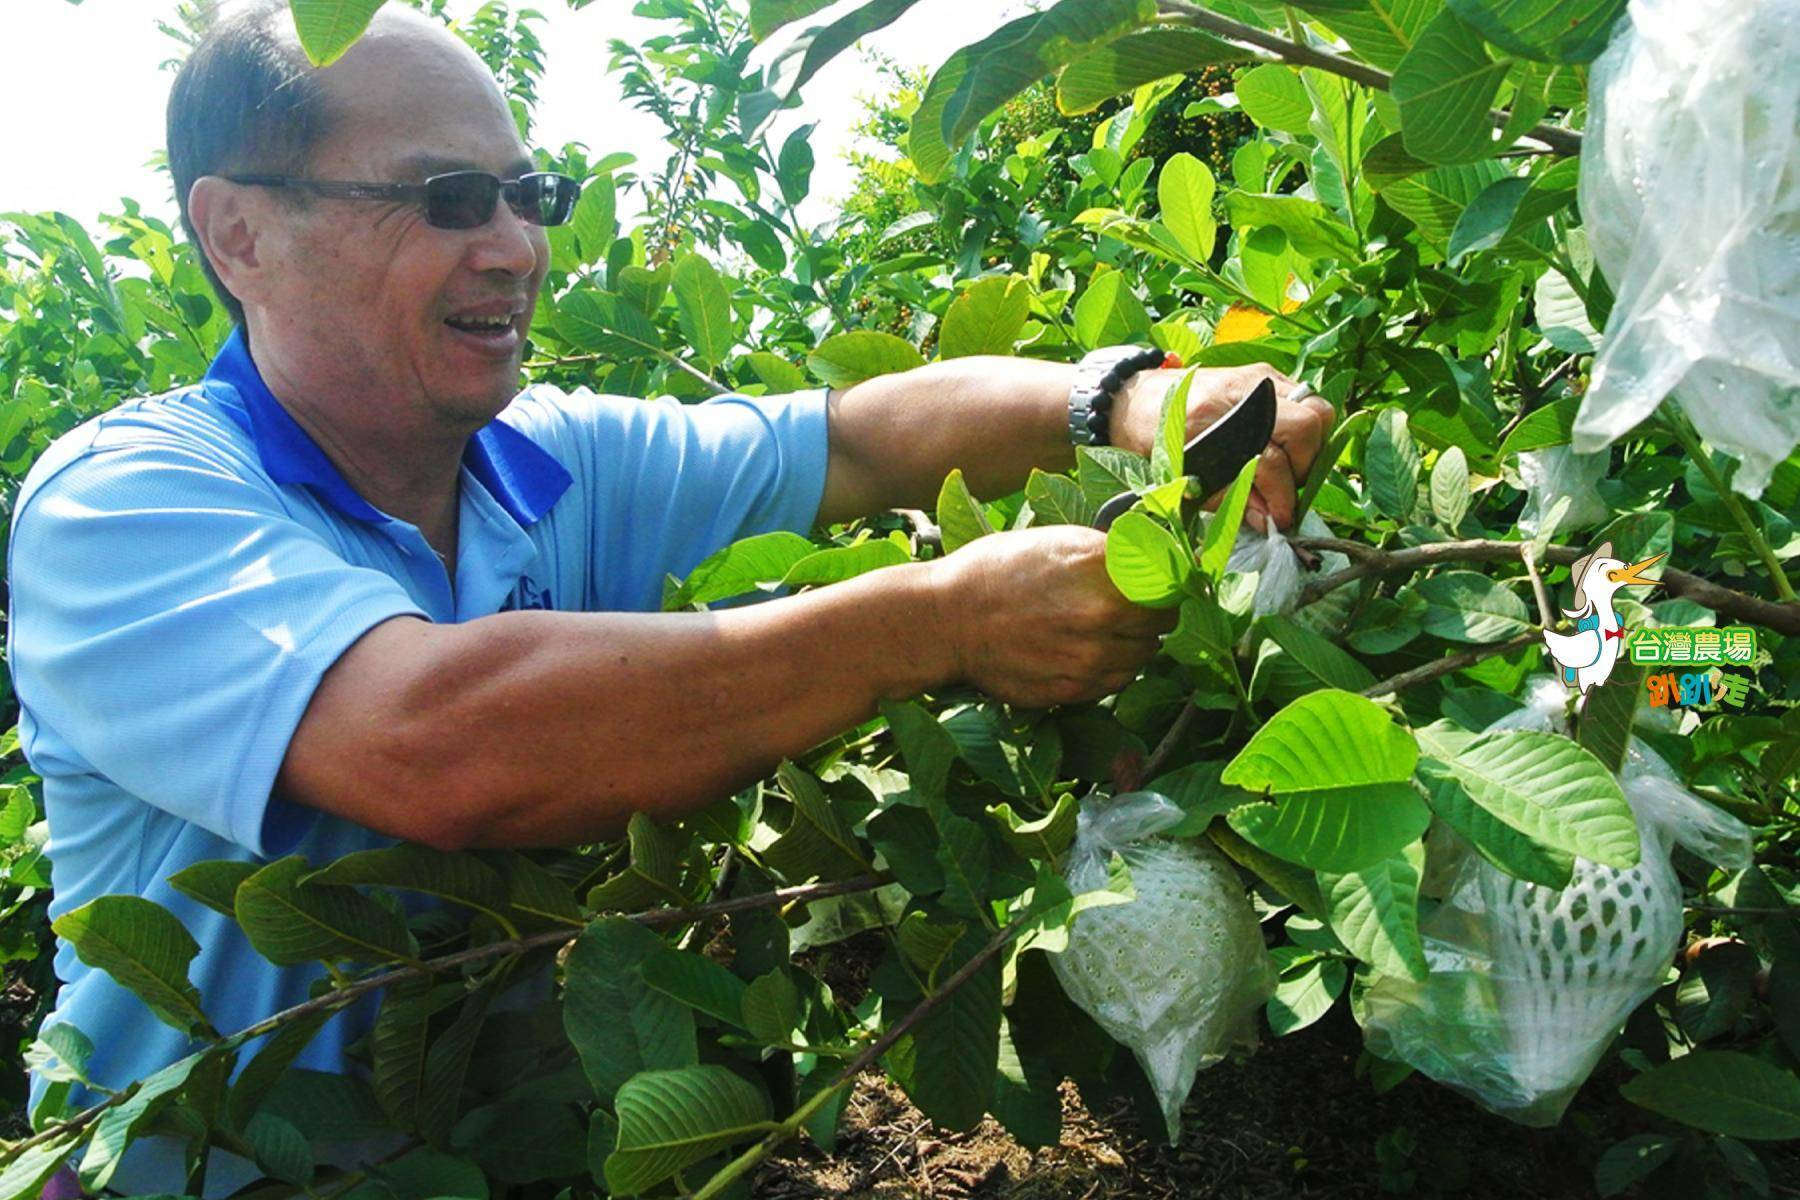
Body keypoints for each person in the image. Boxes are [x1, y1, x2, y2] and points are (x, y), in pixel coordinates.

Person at [5, 2, 1330, 1192]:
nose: (518, 247)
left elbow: (859, 436)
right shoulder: (124, 505)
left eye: (531, 194)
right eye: (452, 199)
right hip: (189, 1172)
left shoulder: (552, 460)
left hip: (492, 1155)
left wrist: (1129, 401)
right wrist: (944, 618)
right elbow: (436, 745)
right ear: (239, 231)